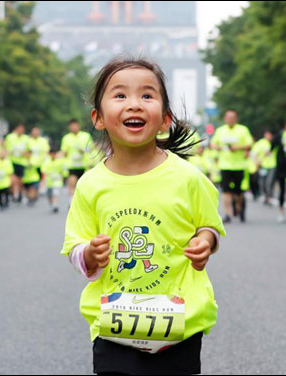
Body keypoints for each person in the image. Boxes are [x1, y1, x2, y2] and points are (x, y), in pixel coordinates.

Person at [61, 56, 225, 375]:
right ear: (98, 118)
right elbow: (74, 248)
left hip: (179, 322)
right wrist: (90, 254)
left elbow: (210, 226)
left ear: (165, 119)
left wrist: (205, 242)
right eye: (120, 95)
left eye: (147, 96)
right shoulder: (90, 185)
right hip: (114, 325)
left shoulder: (188, 178)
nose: (134, 104)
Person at [210, 109, 253, 223]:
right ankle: (227, 214)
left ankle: (239, 206)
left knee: (238, 192)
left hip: (239, 166)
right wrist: (217, 147)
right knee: (226, 191)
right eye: (228, 117)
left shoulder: (243, 130)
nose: (230, 120)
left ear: (236, 119)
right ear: (225, 119)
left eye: (232, 117)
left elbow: (249, 145)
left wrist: (237, 148)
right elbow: (213, 144)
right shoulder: (220, 131)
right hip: (224, 165)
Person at [61, 119, 93, 201]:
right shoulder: (66, 138)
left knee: (84, 185)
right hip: (72, 165)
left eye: (75, 125)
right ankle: (71, 201)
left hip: (84, 165)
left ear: (78, 126)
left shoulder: (86, 136)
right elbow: (64, 152)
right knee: (72, 183)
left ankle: (84, 201)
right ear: (69, 127)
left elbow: (91, 149)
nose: (74, 127)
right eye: (72, 126)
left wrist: (83, 151)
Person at [4, 124, 29, 203]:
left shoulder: (26, 138)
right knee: (13, 180)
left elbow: (28, 152)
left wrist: (24, 154)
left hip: (21, 162)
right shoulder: (10, 137)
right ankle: (14, 194)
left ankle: (20, 194)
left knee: (20, 181)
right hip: (11, 161)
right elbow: (6, 148)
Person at [251, 130, 276, 206]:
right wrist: (257, 162)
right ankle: (265, 196)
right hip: (263, 166)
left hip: (272, 166)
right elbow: (254, 153)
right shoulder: (261, 143)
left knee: (269, 182)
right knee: (262, 183)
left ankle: (269, 197)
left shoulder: (274, 143)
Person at [42, 147, 68, 213]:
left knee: (56, 193)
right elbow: (44, 172)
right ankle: (52, 204)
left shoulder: (60, 161)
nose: (53, 155)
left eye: (54, 154)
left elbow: (64, 171)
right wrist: (43, 183)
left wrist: (64, 175)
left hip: (57, 181)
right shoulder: (46, 162)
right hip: (49, 182)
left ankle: (55, 205)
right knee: (49, 195)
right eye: (52, 154)